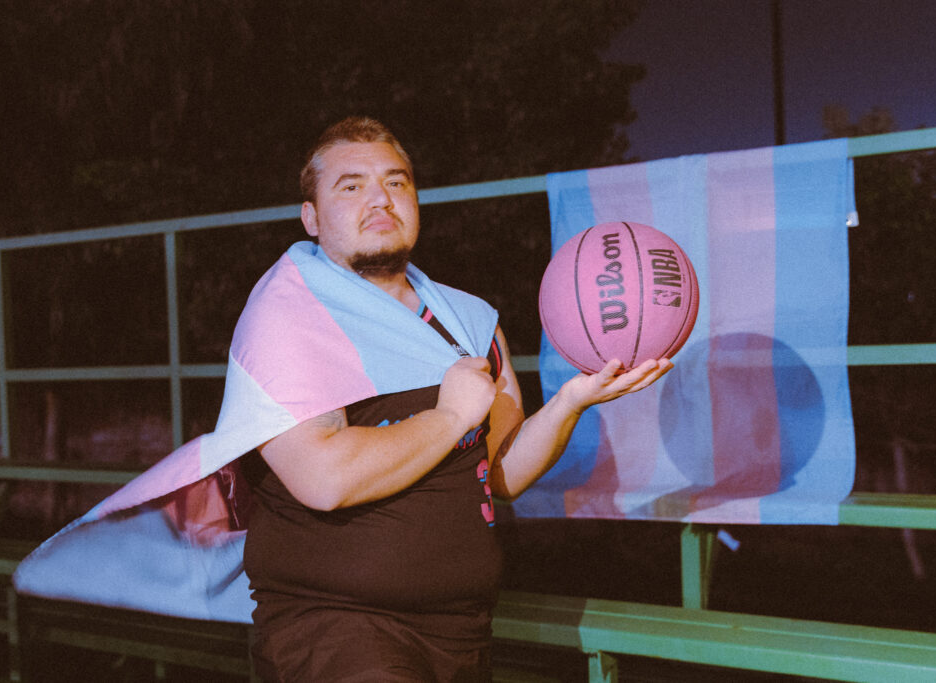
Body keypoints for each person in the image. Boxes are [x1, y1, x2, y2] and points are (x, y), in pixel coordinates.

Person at [240, 117, 672, 682]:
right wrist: (448, 417)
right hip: (337, 629)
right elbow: (323, 478)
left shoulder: (468, 319)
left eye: (397, 182)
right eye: (351, 185)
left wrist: (570, 402)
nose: (380, 198)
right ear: (311, 218)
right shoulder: (288, 313)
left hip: (460, 631)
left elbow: (497, 475)